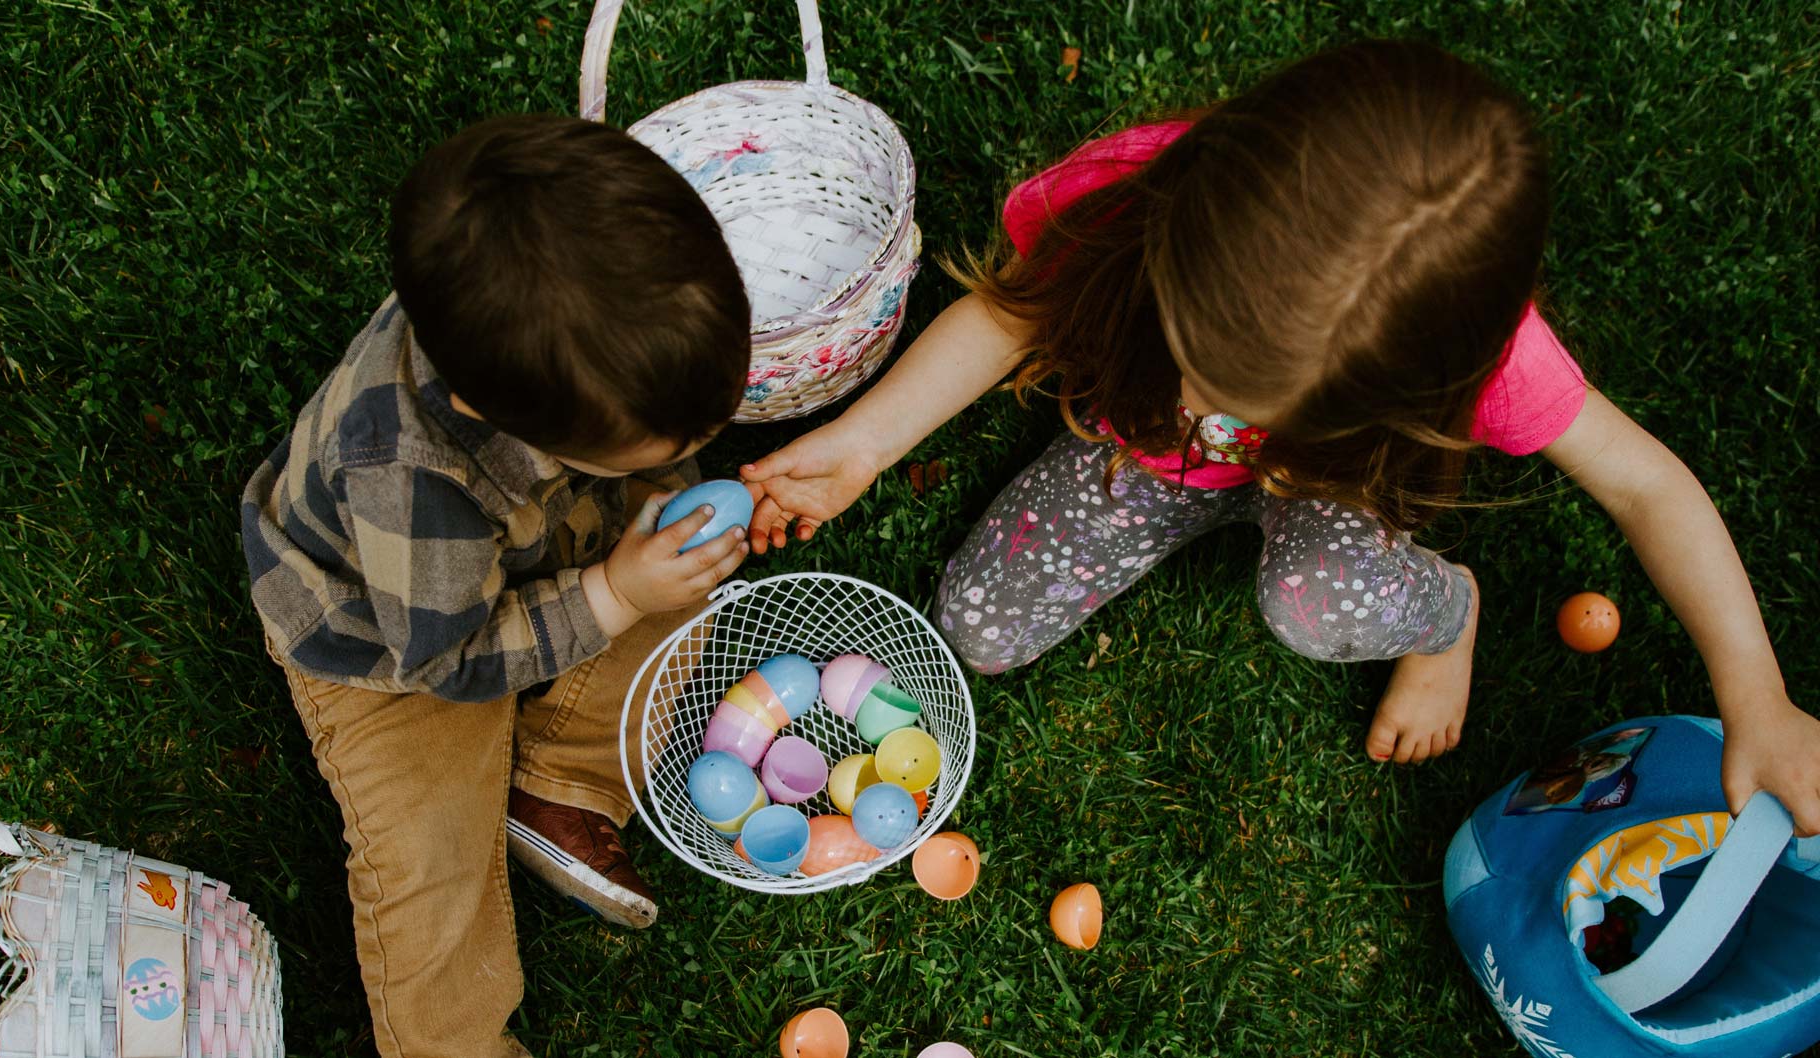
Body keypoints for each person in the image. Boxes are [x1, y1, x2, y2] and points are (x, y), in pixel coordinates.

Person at [740, 41, 1820, 835]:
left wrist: (1755, 694)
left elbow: (1648, 487)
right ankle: (1196, 499)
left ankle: (1445, 615)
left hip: (1336, 496)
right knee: (973, 628)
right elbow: (1010, 311)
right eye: (1191, 338)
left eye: (1250, 389)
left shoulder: (1490, 356)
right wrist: (867, 440)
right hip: (1137, 454)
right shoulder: (1137, 189)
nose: (1208, 394)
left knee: (1311, 602)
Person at [240, 114, 751, 1057]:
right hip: (392, 640)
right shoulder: (411, 479)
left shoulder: (536, 334)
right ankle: (452, 1047)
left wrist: (653, 535)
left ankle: (557, 782)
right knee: (431, 871)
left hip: (543, 545)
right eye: (669, 444)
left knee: (689, 582)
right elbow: (452, 660)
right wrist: (618, 593)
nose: (693, 457)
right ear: (510, 420)